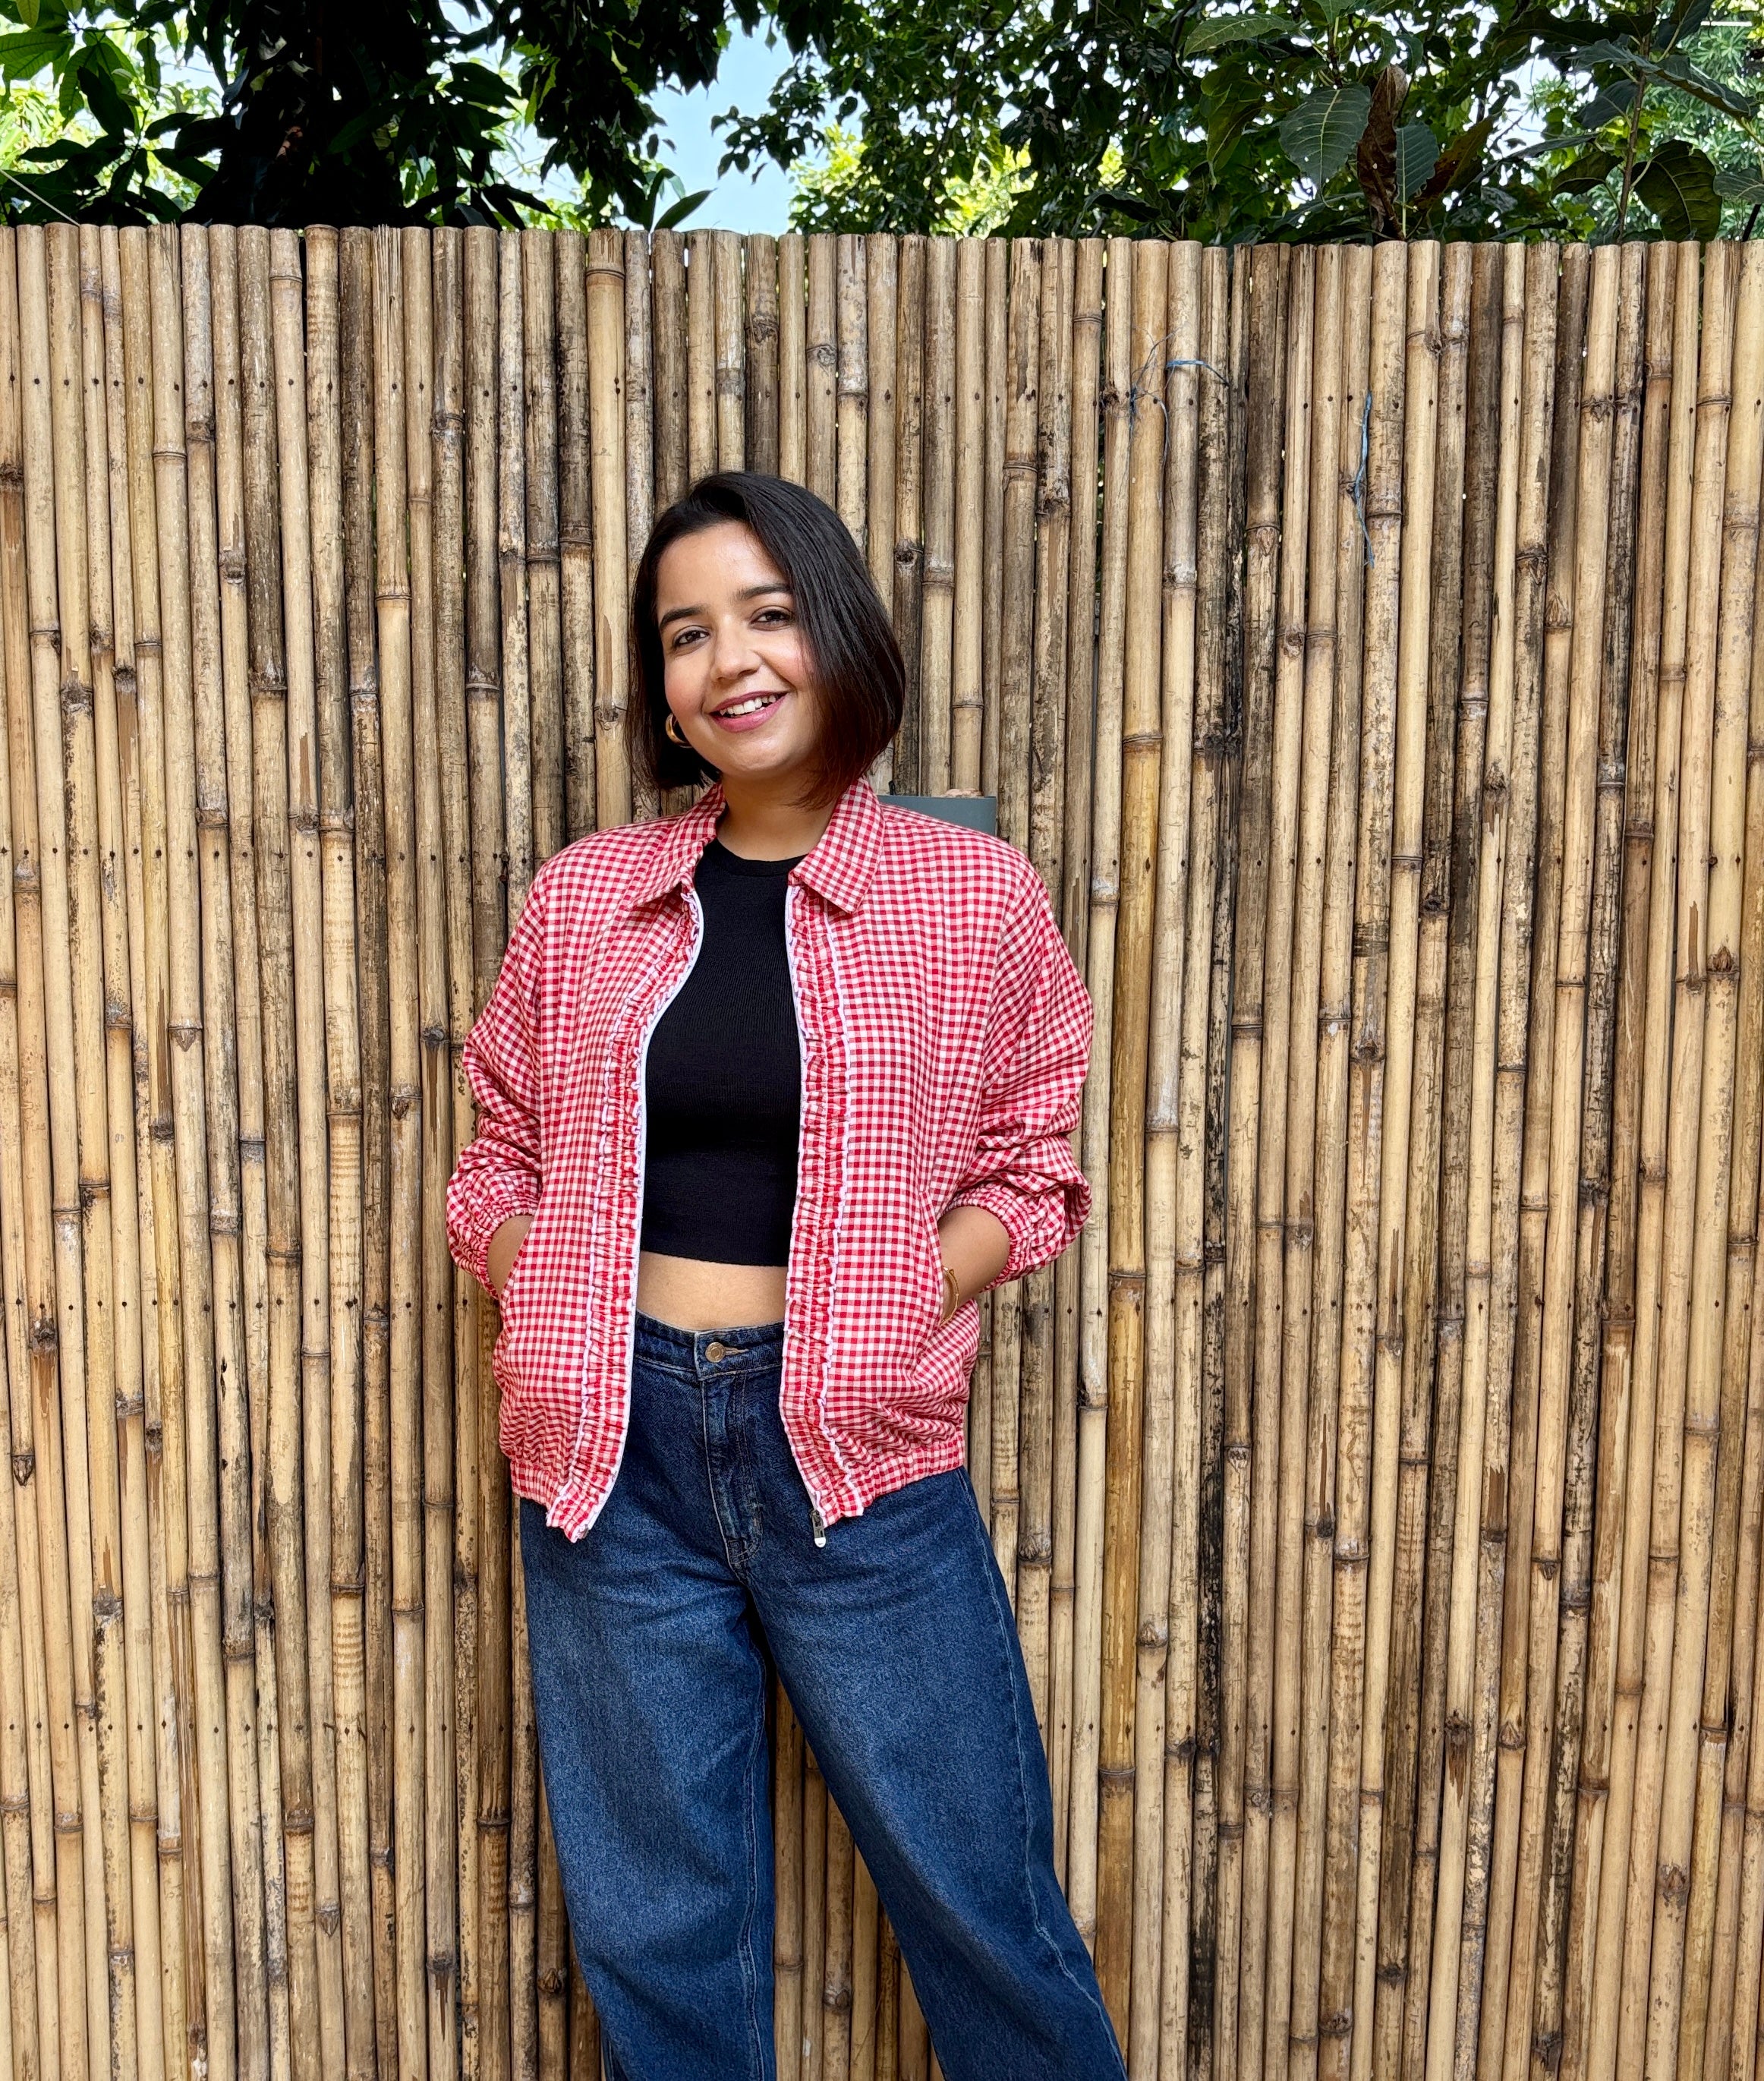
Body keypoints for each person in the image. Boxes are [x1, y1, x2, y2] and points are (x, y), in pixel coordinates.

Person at [445, 471, 1126, 2081]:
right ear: (660, 686)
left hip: (860, 1458)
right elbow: (495, 1155)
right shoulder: (586, 896)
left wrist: (903, 1296)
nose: (727, 662)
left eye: (762, 614)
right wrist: (542, 1287)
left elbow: (1036, 1170)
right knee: (658, 1937)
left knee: (978, 1900)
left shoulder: (973, 897)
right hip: (610, 1458)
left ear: (833, 628)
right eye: (685, 635)